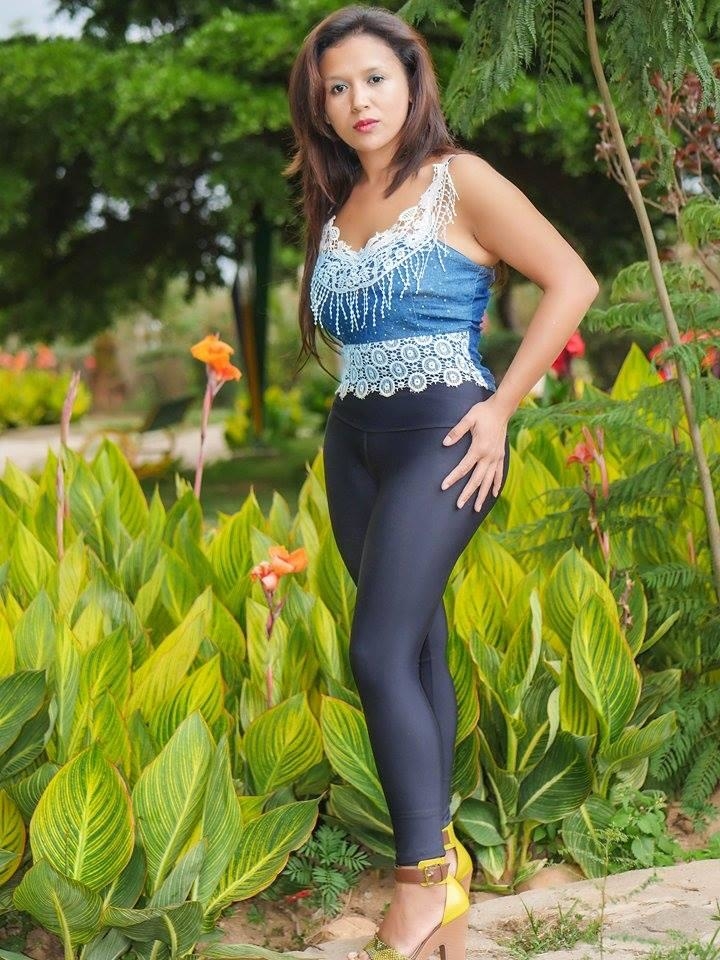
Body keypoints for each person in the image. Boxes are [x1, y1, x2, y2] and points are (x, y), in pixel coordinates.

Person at [285, 6, 599, 960]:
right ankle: (446, 887)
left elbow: (573, 281)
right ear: (320, 108)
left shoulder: (459, 180)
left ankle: (421, 883)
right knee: (417, 649)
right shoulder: (337, 203)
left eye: (375, 78)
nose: (358, 100)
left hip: (447, 438)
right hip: (355, 444)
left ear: (413, 80)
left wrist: (501, 409)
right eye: (337, 88)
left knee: (377, 651)